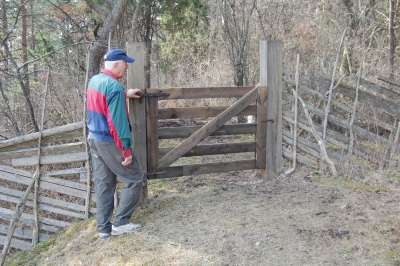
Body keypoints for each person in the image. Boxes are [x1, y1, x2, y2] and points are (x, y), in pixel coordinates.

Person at [86, 48, 144, 240]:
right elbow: (118, 125)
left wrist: (125, 93)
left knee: (104, 183)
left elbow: (104, 100)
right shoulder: (114, 87)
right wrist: (126, 150)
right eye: (125, 63)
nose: (127, 67)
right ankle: (121, 223)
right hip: (109, 141)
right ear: (116, 64)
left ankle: (103, 228)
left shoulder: (95, 81)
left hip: (94, 139)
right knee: (135, 177)